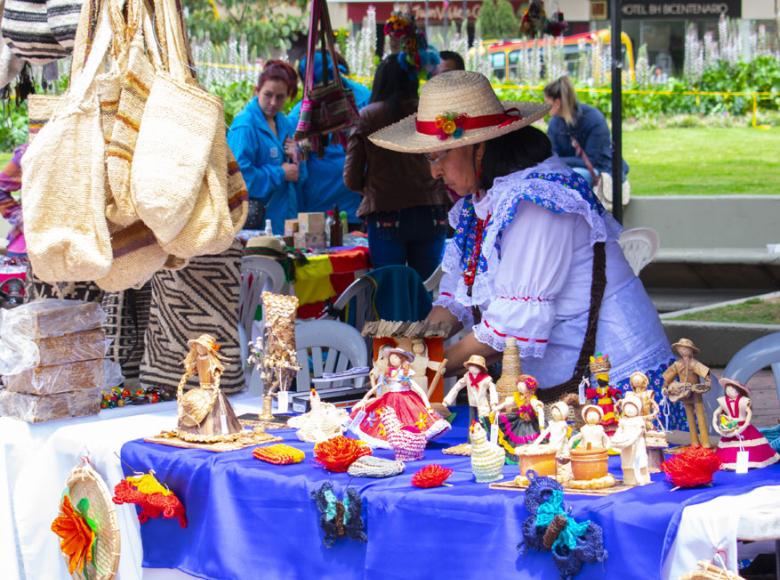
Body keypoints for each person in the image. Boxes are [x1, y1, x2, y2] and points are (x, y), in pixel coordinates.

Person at [368, 71, 672, 405]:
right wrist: (413, 350)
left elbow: (508, 329)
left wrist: (423, 370)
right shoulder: (482, 201)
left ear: (478, 147)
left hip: (620, 382)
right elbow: (459, 297)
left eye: (436, 156)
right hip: (564, 384)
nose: (433, 172)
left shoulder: (537, 202)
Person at [343, 56, 449, 280]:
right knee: (425, 290)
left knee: (390, 290)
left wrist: (374, 188)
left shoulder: (368, 117)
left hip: (385, 213)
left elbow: (351, 179)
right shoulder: (432, 113)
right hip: (432, 213)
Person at [287, 53, 371, 229]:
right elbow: (295, 157)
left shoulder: (363, 100)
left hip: (355, 205)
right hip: (317, 207)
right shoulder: (300, 115)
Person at [228, 60, 305, 234]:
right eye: (267, 95)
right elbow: (238, 180)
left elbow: (298, 176)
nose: (273, 102)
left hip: (285, 221)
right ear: (257, 91)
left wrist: (298, 157)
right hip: (255, 228)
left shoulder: (284, 123)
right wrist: (280, 173)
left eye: (280, 97)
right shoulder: (245, 126)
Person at [543, 76, 628, 187]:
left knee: (575, 177)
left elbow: (592, 161)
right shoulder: (555, 123)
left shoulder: (593, 119)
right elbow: (552, 154)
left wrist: (556, 161)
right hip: (567, 169)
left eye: (546, 103)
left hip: (599, 169)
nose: (545, 107)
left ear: (557, 103)